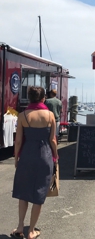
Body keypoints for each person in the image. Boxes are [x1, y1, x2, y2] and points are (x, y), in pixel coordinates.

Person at [11, 86, 58, 239]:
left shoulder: (23, 115)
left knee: (23, 192)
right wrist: (55, 158)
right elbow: (52, 140)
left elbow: (18, 141)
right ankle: (31, 231)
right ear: (44, 98)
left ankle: (19, 226)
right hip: (44, 156)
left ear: (29, 98)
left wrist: (16, 158)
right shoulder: (50, 115)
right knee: (39, 193)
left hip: (27, 155)